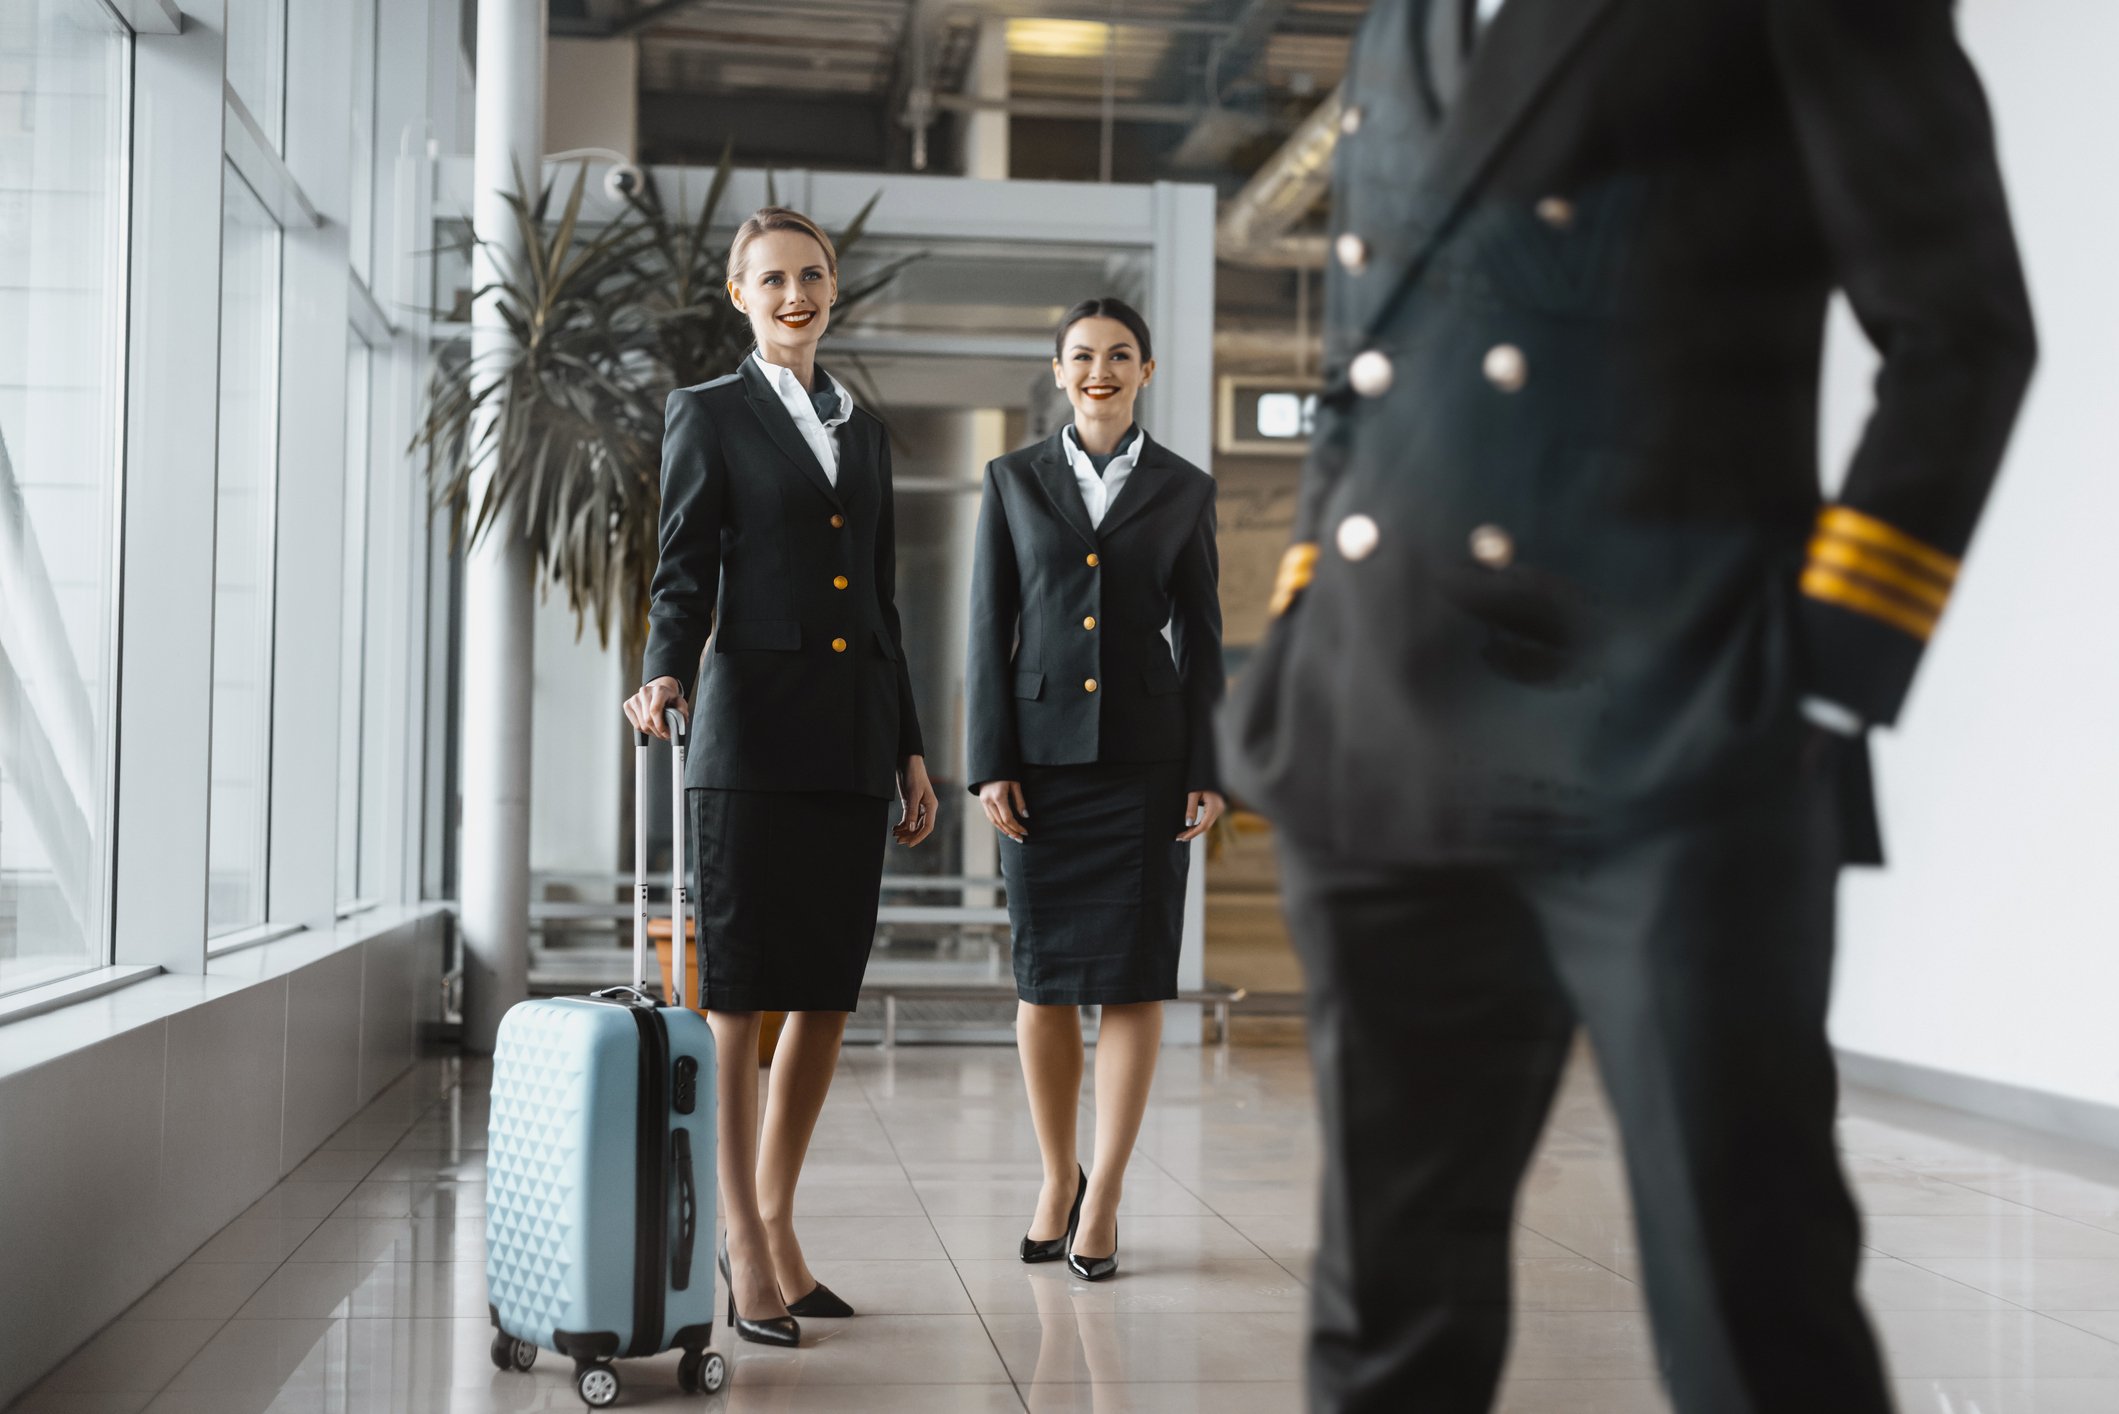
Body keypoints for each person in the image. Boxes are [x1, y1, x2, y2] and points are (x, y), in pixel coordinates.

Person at [1221, 2, 2036, 1411]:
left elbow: (1958, 331)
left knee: (1745, 1291)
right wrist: (1302, 627)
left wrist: (1821, 678)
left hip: (1667, 733)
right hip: (1384, 729)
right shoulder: (1398, 24)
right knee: (1384, 1312)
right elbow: (1362, 370)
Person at [624, 205, 939, 1348]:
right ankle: (743, 1244)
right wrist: (664, 673)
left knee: (825, 992)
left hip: (852, 744)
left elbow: (885, 602)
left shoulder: (866, 432)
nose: (794, 294)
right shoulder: (705, 414)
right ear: (738, 293)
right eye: (772, 279)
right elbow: (681, 574)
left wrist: (909, 747)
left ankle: (779, 1225)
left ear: (834, 286)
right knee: (745, 996)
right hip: (749, 744)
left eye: (811, 276)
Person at [966, 296, 1225, 1281]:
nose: (1100, 370)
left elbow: (1199, 640)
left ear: (1145, 371)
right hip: (1037, 764)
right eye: (1082, 356)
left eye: (1120, 356)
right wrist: (990, 759)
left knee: (1131, 982)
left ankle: (1105, 1191)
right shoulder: (1012, 480)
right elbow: (989, 628)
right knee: (1040, 984)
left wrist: (1209, 768)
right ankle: (1053, 1176)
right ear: (1058, 368)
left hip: (1148, 764)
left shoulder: (1184, 489)